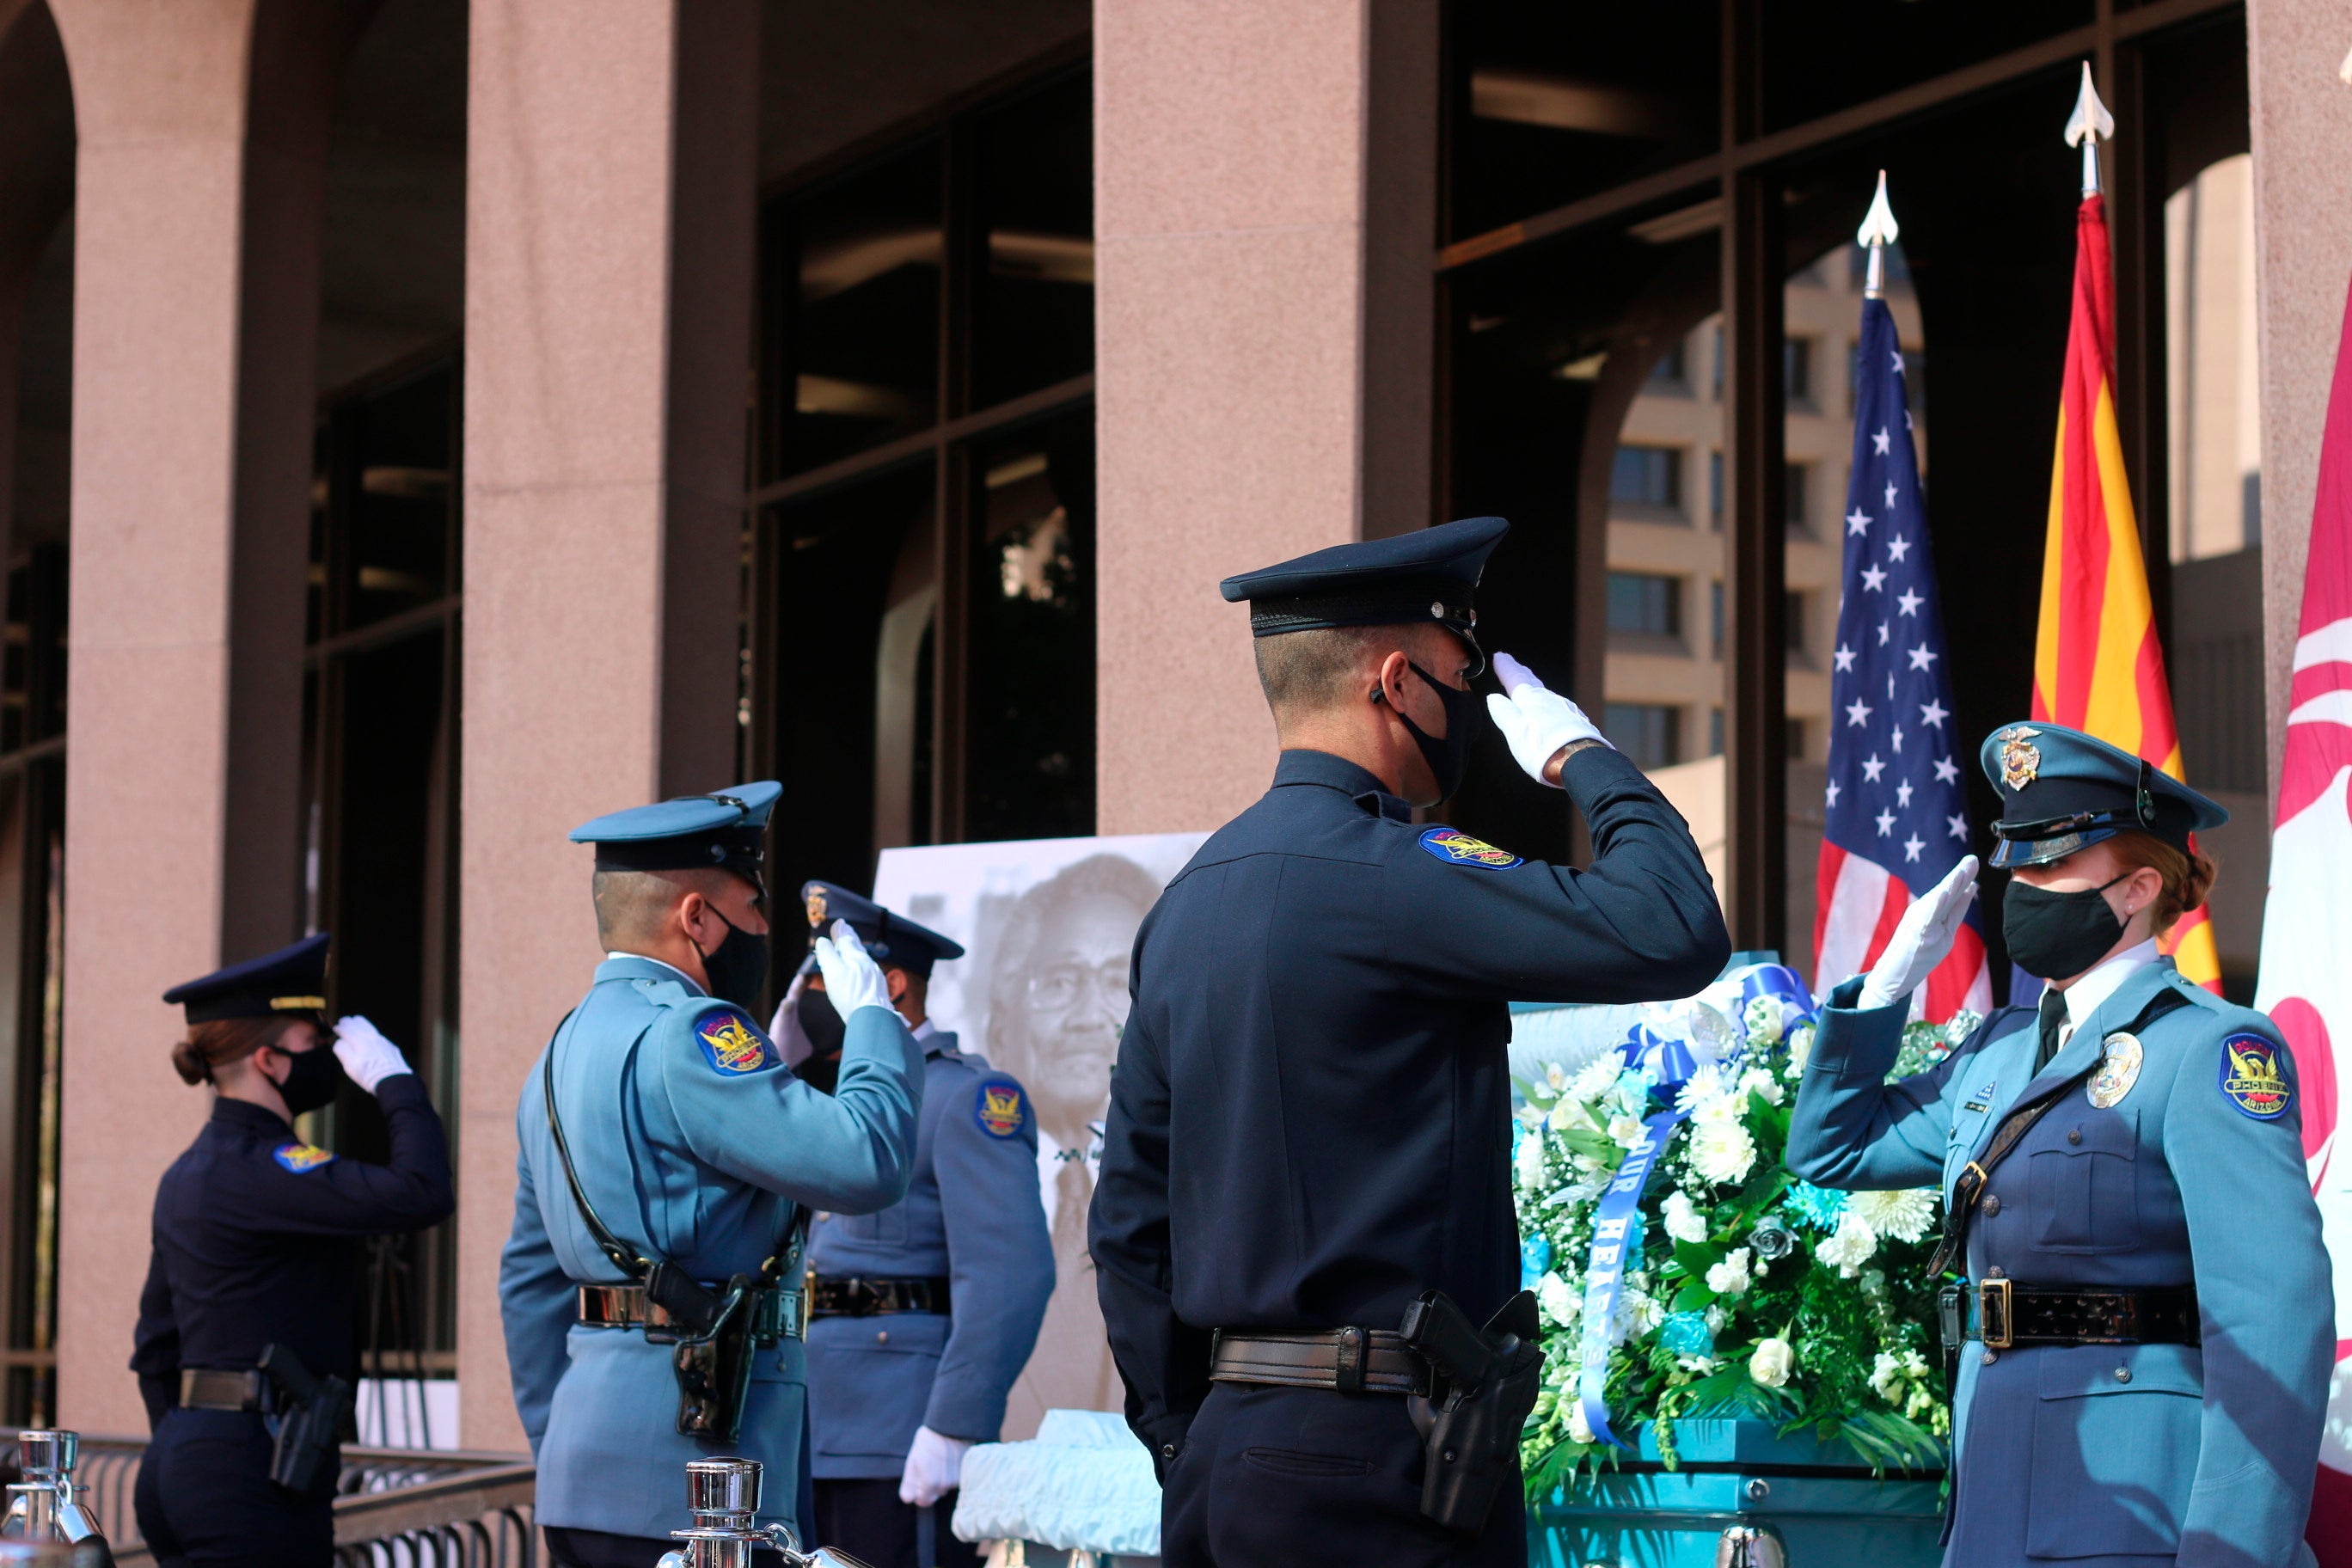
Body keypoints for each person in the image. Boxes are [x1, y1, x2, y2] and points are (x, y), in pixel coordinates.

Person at [1089, 514, 1731, 1568]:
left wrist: (1183, 1431)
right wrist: (1584, 759)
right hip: (1384, 1465)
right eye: (1459, 676)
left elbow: (1129, 1222)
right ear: (1394, 682)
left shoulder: (1187, 904)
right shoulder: (1399, 871)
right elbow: (1671, 927)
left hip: (1224, 1463)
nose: (1471, 707)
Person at [1786, 720, 2331, 1567]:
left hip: (2135, 1516)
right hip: (1994, 1511)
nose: (2023, 885)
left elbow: (2273, 1323)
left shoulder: (2209, 1051)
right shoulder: (1999, 1056)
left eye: (2052, 861)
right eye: (2019, 860)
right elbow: (1831, 1148)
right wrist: (1882, 992)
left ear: (2137, 887)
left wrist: (2234, 1553)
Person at [499, 783, 924, 1568]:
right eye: (754, 908)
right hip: (704, 1488)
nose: (763, 931)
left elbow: (528, 1280)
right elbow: (869, 1161)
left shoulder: (556, 1055)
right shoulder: (696, 1031)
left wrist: (564, 1437)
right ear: (697, 918)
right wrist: (874, 1022)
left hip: (585, 1473)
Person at [132, 933, 453, 1568]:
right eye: (314, 1044)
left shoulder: (187, 1174)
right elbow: (421, 1193)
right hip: (253, 1473)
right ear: (269, 1062)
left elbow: (155, 1351)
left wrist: (193, 1445)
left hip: (184, 1466)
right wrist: (395, 1082)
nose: (329, 1060)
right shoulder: (267, 1169)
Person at [774, 881, 1054, 1568]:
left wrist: (954, 1424)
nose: (809, 994)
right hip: (814, 1428)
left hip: (903, 1431)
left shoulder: (964, 1097)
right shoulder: (832, 1095)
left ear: (887, 983)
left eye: (822, 977)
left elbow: (1009, 1274)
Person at [982, 852, 1161, 1414]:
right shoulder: (951, 1186)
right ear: (1002, 1020)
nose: (1088, 1015)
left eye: (1117, 984)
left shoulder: (1201, 1192)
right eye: (1059, 982)